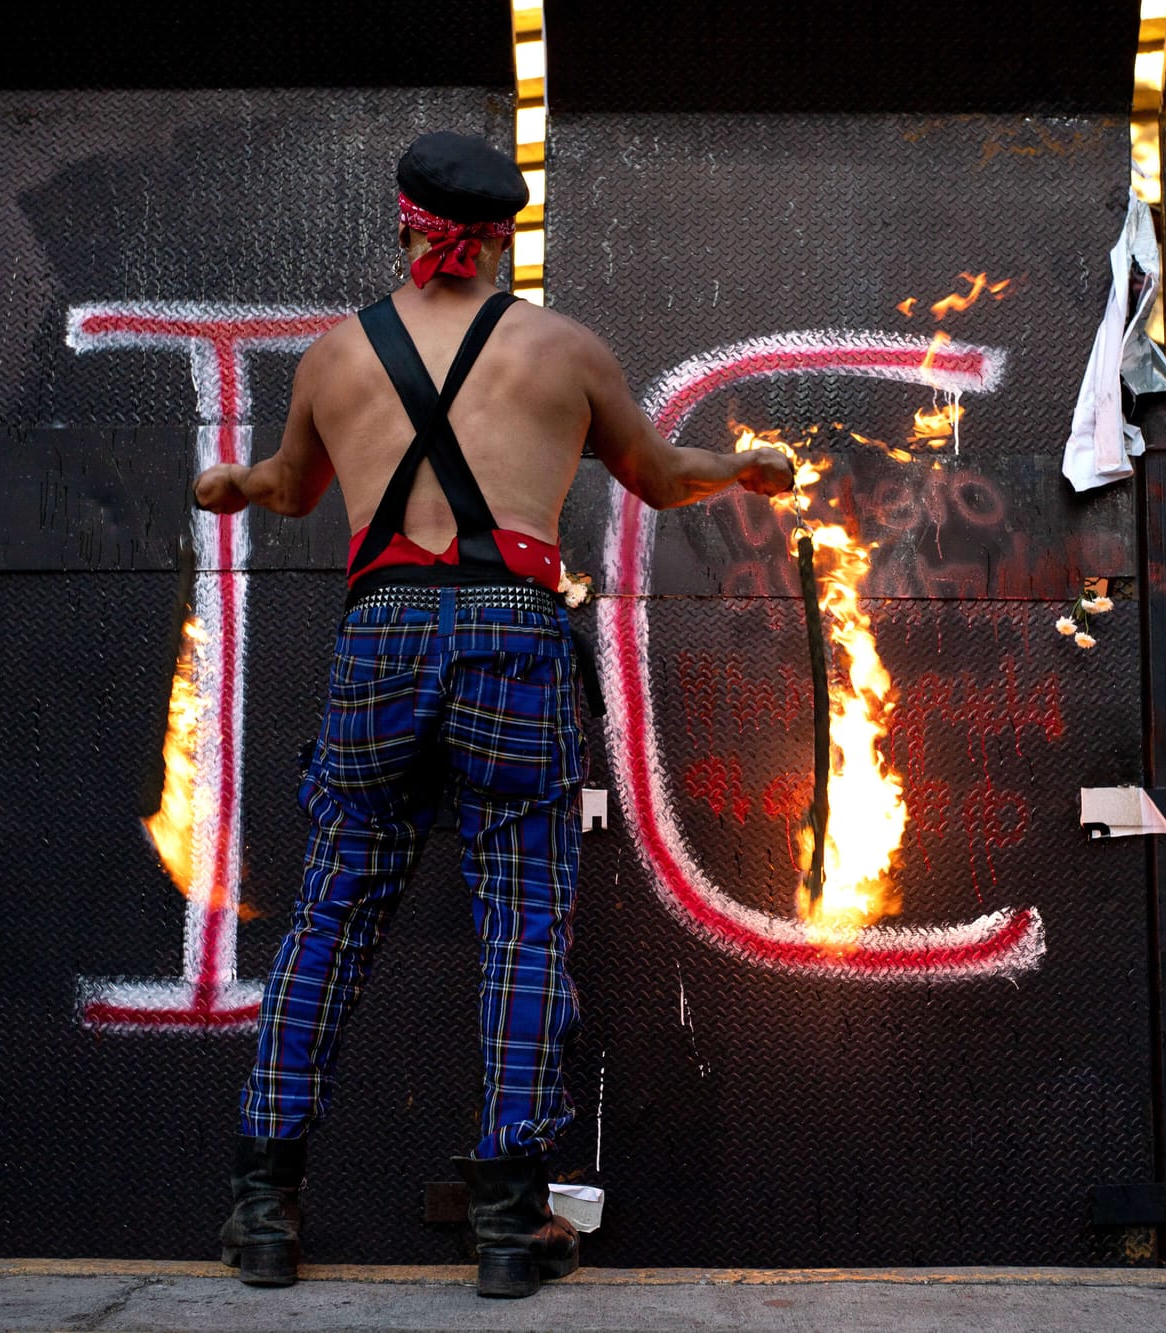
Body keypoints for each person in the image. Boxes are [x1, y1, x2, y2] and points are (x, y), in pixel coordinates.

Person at [192, 131, 793, 1299]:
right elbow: (661, 478)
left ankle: (262, 1210)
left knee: (328, 921)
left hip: (381, 635)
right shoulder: (563, 350)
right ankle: (511, 1228)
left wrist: (231, 485)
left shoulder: (332, 356)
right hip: (509, 632)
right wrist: (741, 465)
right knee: (523, 928)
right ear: (503, 233)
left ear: (404, 220)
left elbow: (290, 487)